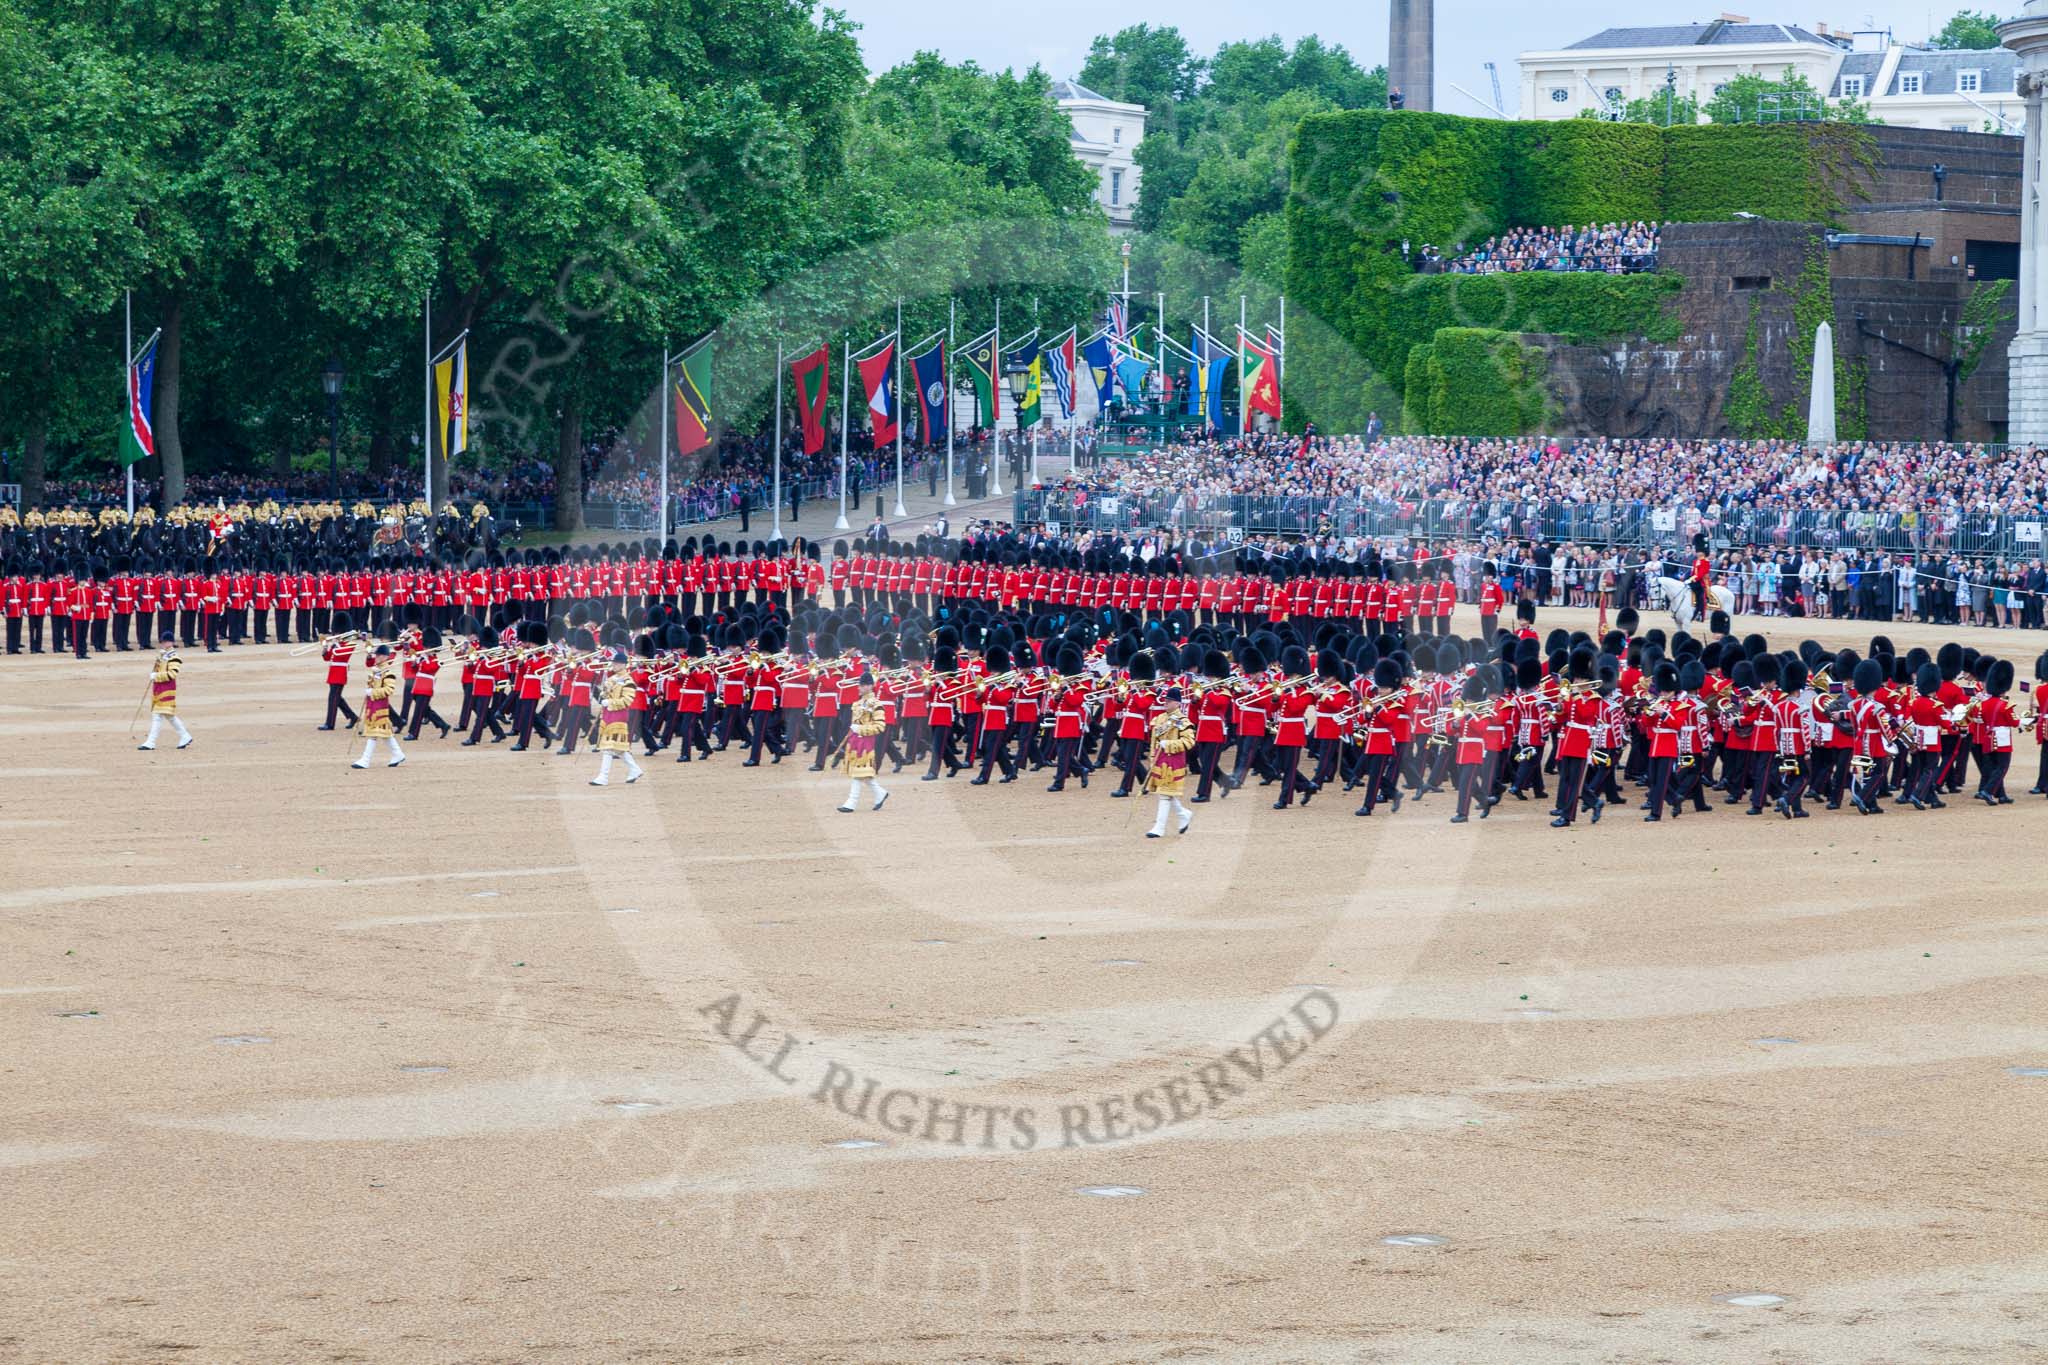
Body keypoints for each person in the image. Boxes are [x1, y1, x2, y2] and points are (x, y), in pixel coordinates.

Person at [1144, 686, 1196, 838]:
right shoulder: (1160, 718)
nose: (1166, 703)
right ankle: (1183, 814)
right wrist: (1152, 757)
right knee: (1165, 792)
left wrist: (1170, 745)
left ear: (1178, 703)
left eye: (1169, 701)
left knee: (1165, 794)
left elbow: (1189, 741)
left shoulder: (1182, 721)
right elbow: (1154, 740)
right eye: (1166, 700)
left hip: (1174, 760)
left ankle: (1159, 828)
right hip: (1160, 759)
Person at [837, 675, 891, 812]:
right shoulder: (857, 704)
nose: (859, 688)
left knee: (858, 772)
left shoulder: (876, 704)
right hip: (855, 742)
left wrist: (860, 729)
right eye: (859, 685)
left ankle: (851, 802)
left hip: (866, 743)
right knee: (863, 773)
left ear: (869, 686)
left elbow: (880, 726)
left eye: (862, 685)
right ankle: (880, 793)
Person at [590, 656, 645, 787]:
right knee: (618, 747)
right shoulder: (612, 678)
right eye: (613, 663)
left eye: (616, 663)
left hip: (619, 715)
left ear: (623, 665)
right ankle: (635, 769)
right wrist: (604, 694)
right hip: (608, 714)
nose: (613, 665)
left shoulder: (628, 681)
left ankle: (603, 777)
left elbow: (627, 701)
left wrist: (610, 702)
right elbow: (604, 694)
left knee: (609, 747)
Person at [351, 647, 407, 769]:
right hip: (373, 704)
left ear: (383, 657)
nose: (375, 658)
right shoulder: (377, 671)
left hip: (380, 705)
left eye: (377, 656)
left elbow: (389, 690)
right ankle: (397, 753)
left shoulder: (388, 673)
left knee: (373, 733)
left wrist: (373, 692)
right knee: (385, 732)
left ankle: (366, 760)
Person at [137, 633, 194, 752]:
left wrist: (157, 676)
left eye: (164, 642)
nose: (162, 644)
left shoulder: (174, 657)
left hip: (166, 688)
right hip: (160, 688)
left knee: (158, 715)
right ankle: (185, 735)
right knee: (169, 715)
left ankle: (151, 742)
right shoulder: (163, 655)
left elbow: (172, 674)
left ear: (170, 642)